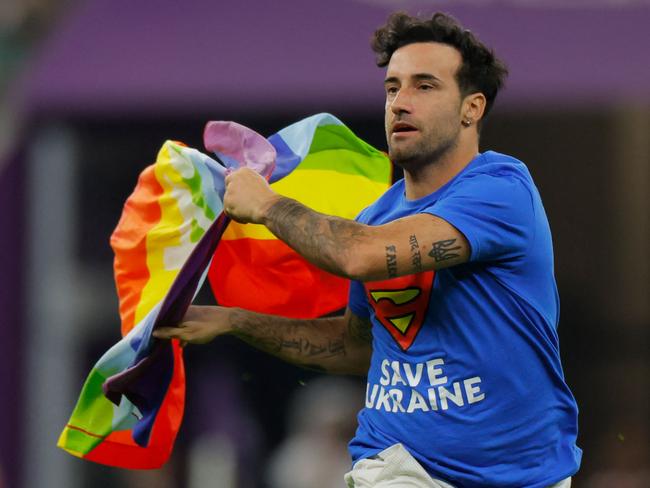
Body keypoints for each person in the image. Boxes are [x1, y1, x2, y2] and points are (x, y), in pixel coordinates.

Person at [154, 12, 582, 488]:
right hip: (399, 467)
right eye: (392, 88)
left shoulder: (502, 190)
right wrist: (234, 320)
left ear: (472, 108)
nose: (400, 103)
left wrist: (268, 205)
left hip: (527, 474)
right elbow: (357, 346)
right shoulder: (377, 216)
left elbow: (361, 256)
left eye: (424, 86)